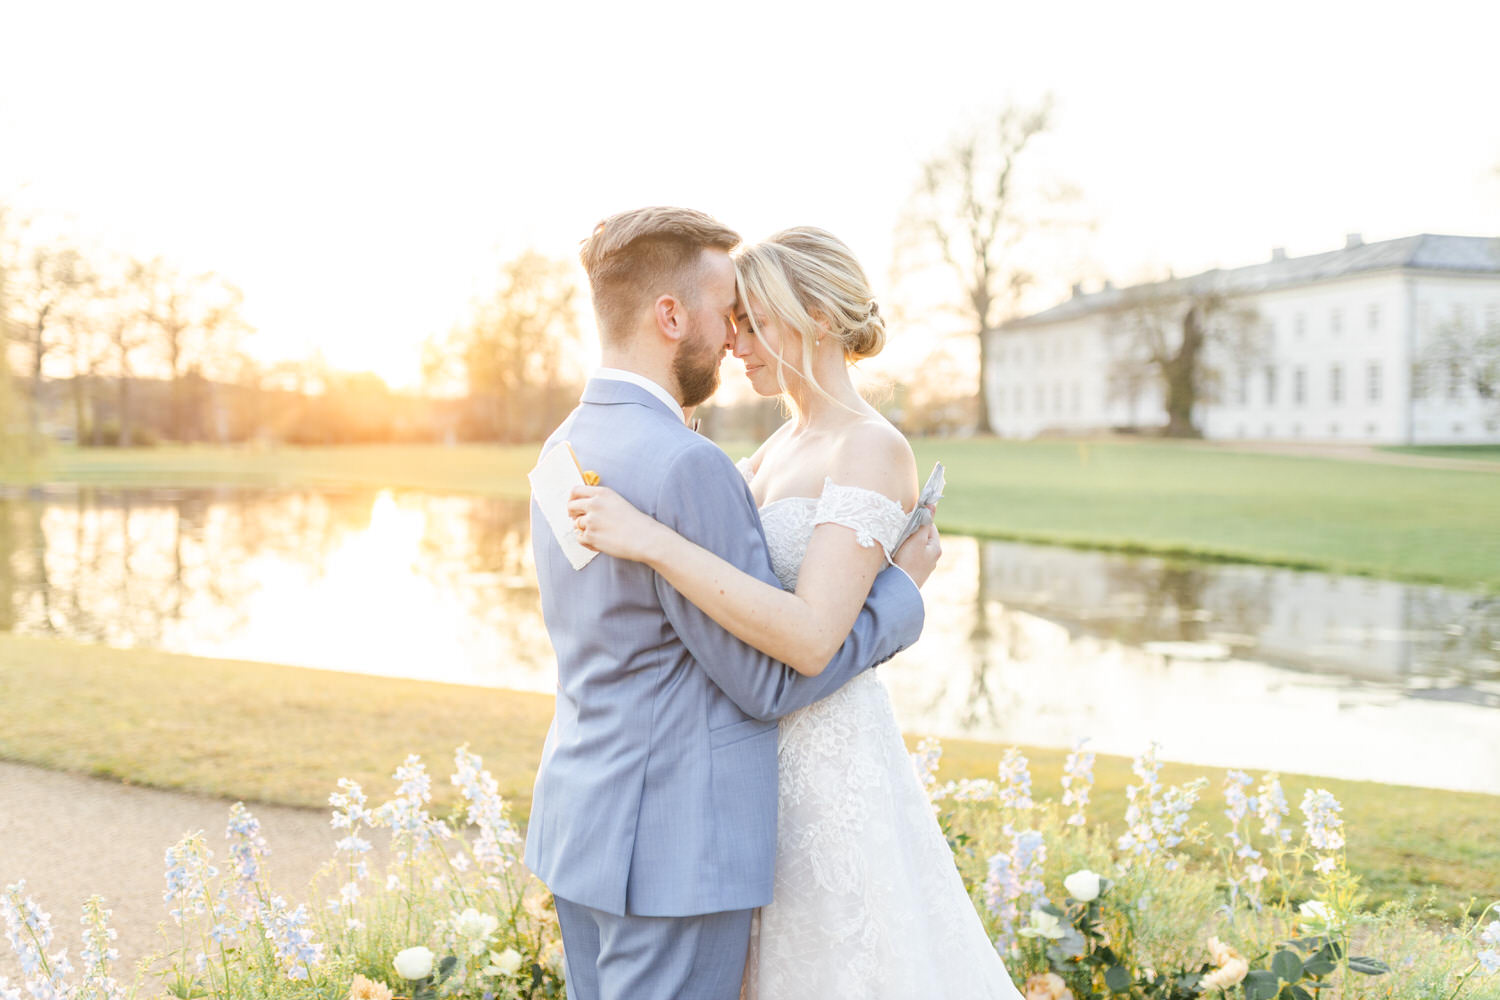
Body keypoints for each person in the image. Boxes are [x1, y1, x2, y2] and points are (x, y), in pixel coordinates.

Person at [568, 226, 1025, 999]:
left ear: (815, 318)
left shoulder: (869, 448)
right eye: (733, 321)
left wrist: (648, 539)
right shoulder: (773, 448)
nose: (733, 342)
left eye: (753, 322)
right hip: (744, 769)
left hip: (826, 769)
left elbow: (812, 636)